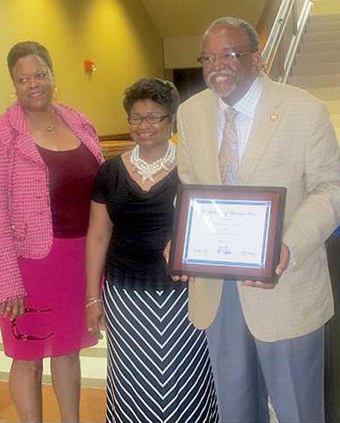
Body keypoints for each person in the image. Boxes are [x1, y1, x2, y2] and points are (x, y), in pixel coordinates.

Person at [175, 17, 340, 422]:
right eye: (209, 57)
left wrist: (287, 246)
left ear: (258, 58)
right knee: (235, 410)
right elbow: (189, 188)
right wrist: (181, 234)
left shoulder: (305, 110)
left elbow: (331, 190)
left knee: (297, 410)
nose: (217, 65)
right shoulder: (190, 113)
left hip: (284, 286)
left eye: (229, 55)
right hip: (217, 291)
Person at [0, 41, 104, 422]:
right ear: (13, 85)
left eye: (40, 74)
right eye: (23, 78)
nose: (33, 84)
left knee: (68, 349)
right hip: (28, 262)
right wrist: (8, 281)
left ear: (53, 76)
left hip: (79, 258)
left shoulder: (79, 122)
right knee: (27, 356)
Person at [85, 78, 219, 423]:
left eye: (154, 117)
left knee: (187, 376)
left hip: (183, 296)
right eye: (136, 118)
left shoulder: (193, 168)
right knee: (132, 377)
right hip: (125, 295)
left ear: (171, 120)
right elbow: (98, 236)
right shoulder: (110, 172)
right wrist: (92, 298)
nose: (144, 126)